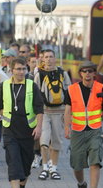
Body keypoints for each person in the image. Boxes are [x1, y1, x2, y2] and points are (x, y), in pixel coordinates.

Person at [0, 57, 44, 188]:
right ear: (11, 70)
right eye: (18, 69)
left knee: (25, 166)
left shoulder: (32, 86)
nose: (21, 72)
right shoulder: (4, 86)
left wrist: (39, 127)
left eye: (24, 69)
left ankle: (22, 184)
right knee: (13, 163)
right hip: (9, 131)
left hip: (28, 131)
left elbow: (39, 108)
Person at [64, 60, 103, 188]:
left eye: (90, 71)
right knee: (77, 164)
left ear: (94, 73)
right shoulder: (71, 89)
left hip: (95, 131)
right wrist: (66, 128)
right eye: (84, 71)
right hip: (77, 131)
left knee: (95, 162)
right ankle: (81, 183)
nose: (87, 74)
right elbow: (68, 111)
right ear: (80, 73)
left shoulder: (101, 88)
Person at [34, 49, 71, 180]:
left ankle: (53, 168)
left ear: (55, 58)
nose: (49, 59)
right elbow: (36, 94)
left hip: (59, 112)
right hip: (44, 112)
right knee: (44, 140)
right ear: (42, 59)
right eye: (46, 57)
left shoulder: (63, 73)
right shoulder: (39, 74)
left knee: (56, 141)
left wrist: (68, 114)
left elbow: (69, 93)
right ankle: (44, 168)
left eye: (51, 57)